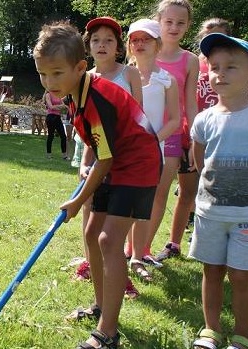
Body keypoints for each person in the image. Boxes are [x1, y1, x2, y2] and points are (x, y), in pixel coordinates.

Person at [33, 20, 162, 349]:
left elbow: (106, 157)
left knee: (108, 239)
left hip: (138, 167)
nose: (49, 82)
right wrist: (87, 160)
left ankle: (108, 333)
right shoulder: (75, 93)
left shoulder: (98, 98)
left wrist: (78, 201)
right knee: (92, 233)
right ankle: (102, 306)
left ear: (79, 67)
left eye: (57, 73)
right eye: (43, 74)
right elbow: (96, 139)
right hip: (117, 162)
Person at [190, 32, 248, 349]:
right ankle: (210, 330)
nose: (220, 73)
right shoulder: (203, 120)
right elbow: (200, 161)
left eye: (231, 67)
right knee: (212, 271)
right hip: (210, 213)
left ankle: (242, 336)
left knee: (242, 276)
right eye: (214, 67)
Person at [73, 16, 142, 299]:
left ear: (118, 47)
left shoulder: (130, 74)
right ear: (88, 47)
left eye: (109, 40)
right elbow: (85, 125)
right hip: (92, 148)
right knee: (91, 207)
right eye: (96, 40)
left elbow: (138, 115)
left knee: (115, 217)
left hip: (124, 155)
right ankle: (92, 262)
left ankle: (118, 272)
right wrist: (84, 162)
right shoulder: (84, 78)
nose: (102, 45)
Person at [124, 18, 180, 282]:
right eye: (135, 39)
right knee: (124, 200)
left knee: (145, 203)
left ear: (158, 44)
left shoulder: (166, 80)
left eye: (146, 39)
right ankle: (121, 250)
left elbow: (174, 120)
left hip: (152, 150)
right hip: (124, 150)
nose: (139, 44)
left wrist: (152, 139)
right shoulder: (122, 74)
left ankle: (137, 255)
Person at [152, 0, 200, 263]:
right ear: (159, 21)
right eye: (168, 21)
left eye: (180, 23)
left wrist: (194, 139)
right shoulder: (145, 52)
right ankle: (137, 247)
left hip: (180, 134)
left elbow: (190, 102)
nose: (174, 27)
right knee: (153, 191)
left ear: (188, 26)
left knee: (187, 191)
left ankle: (174, 243)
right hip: (152, 135)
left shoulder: (190, 60)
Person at [177, 18, 232, 243]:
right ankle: (183, 233)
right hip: (191, 130)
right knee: (189, 185)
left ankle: (211, 231)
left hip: (220, 130)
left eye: (218, 36)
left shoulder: (232, 63)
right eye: (207, 36)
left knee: (213, 184)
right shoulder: (193, 62)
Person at [44, 90, 70, 160]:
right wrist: (60, 106)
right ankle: (49, 154)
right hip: (51, 117)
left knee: (63, 136)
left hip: (58, 117)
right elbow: (51, 107)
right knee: (51, 136)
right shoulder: (48, 95)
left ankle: (64, 155)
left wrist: (58, 106)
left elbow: (65, 106)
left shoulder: (59, 96)